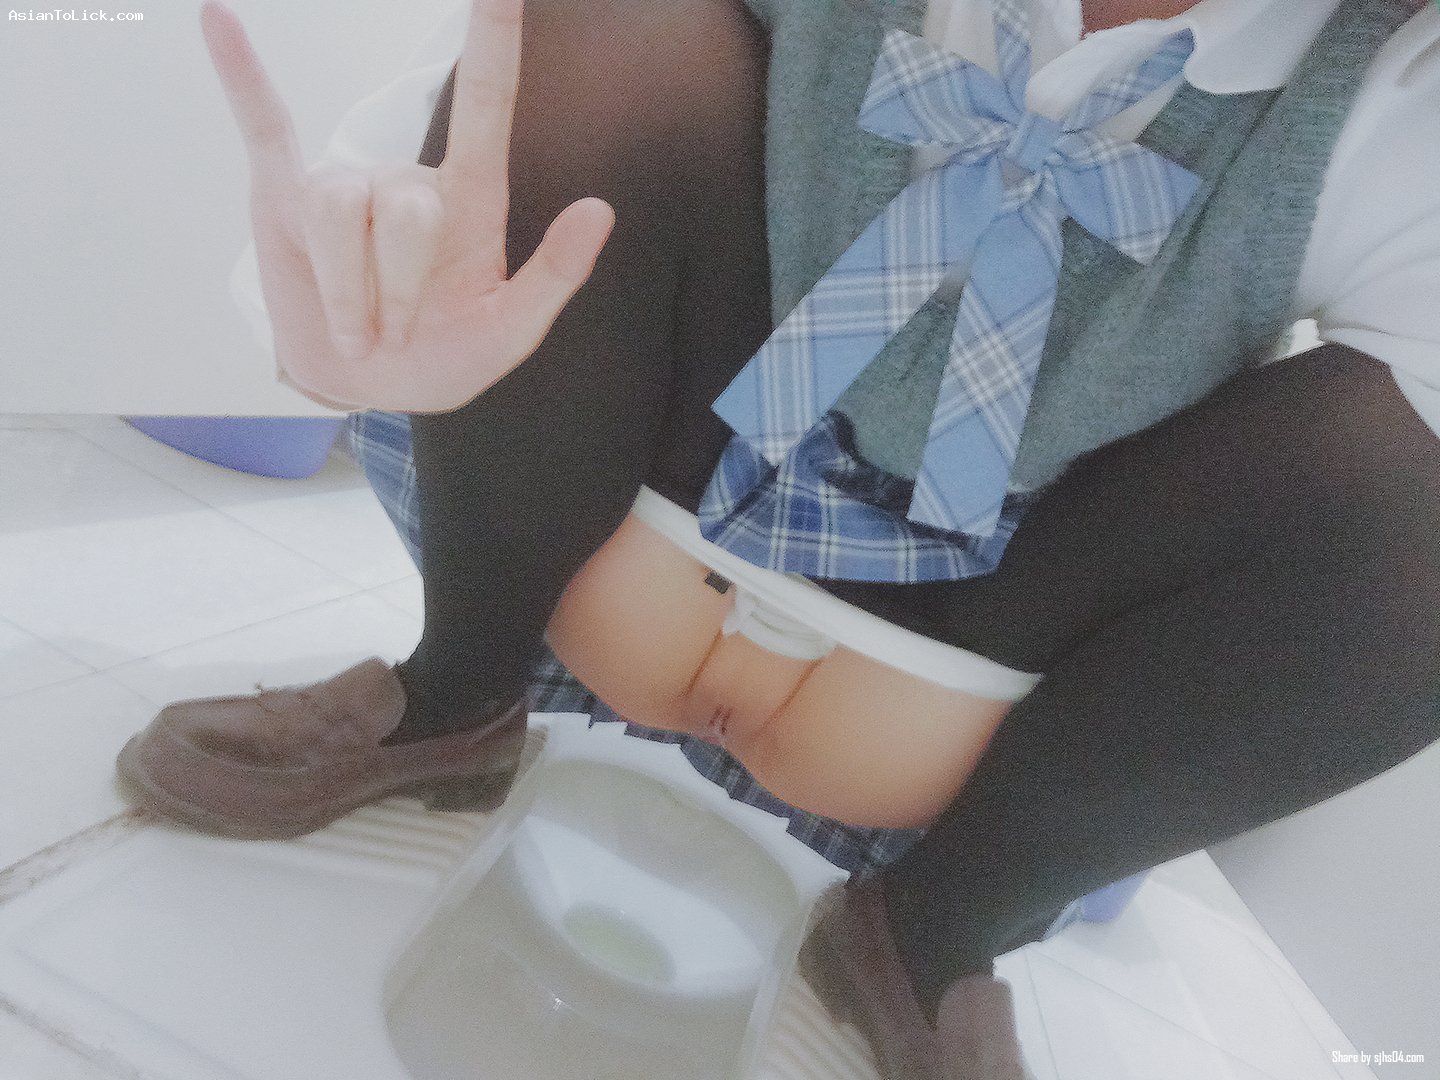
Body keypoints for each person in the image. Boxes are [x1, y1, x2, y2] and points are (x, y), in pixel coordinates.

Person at [119, 0, 1440, 1075]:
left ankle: (937, 931)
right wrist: (351, 310)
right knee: (603, 24)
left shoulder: (1395, 92)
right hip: (581, 531)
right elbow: (469, 137)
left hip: (950, 707)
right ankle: (453, 698)